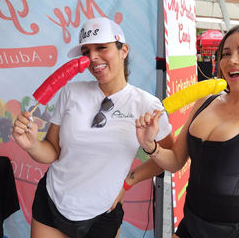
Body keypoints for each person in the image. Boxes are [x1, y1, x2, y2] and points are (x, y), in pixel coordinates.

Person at [12, 17, 174, 238]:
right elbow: (52, 150)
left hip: (102, 213)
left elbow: (168, 159)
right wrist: (32, 145)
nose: (93, 57)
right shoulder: (71, 93)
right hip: (53, 201)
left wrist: (128, 182)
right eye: (87, 51)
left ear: (123, 50)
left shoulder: (147, 105)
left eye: (101, 48)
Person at [135, 24, 239, 238]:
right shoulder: (205, 102)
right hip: (192, 224)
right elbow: (175, 161)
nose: (232, 60)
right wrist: (150, 145)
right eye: (226, 53)